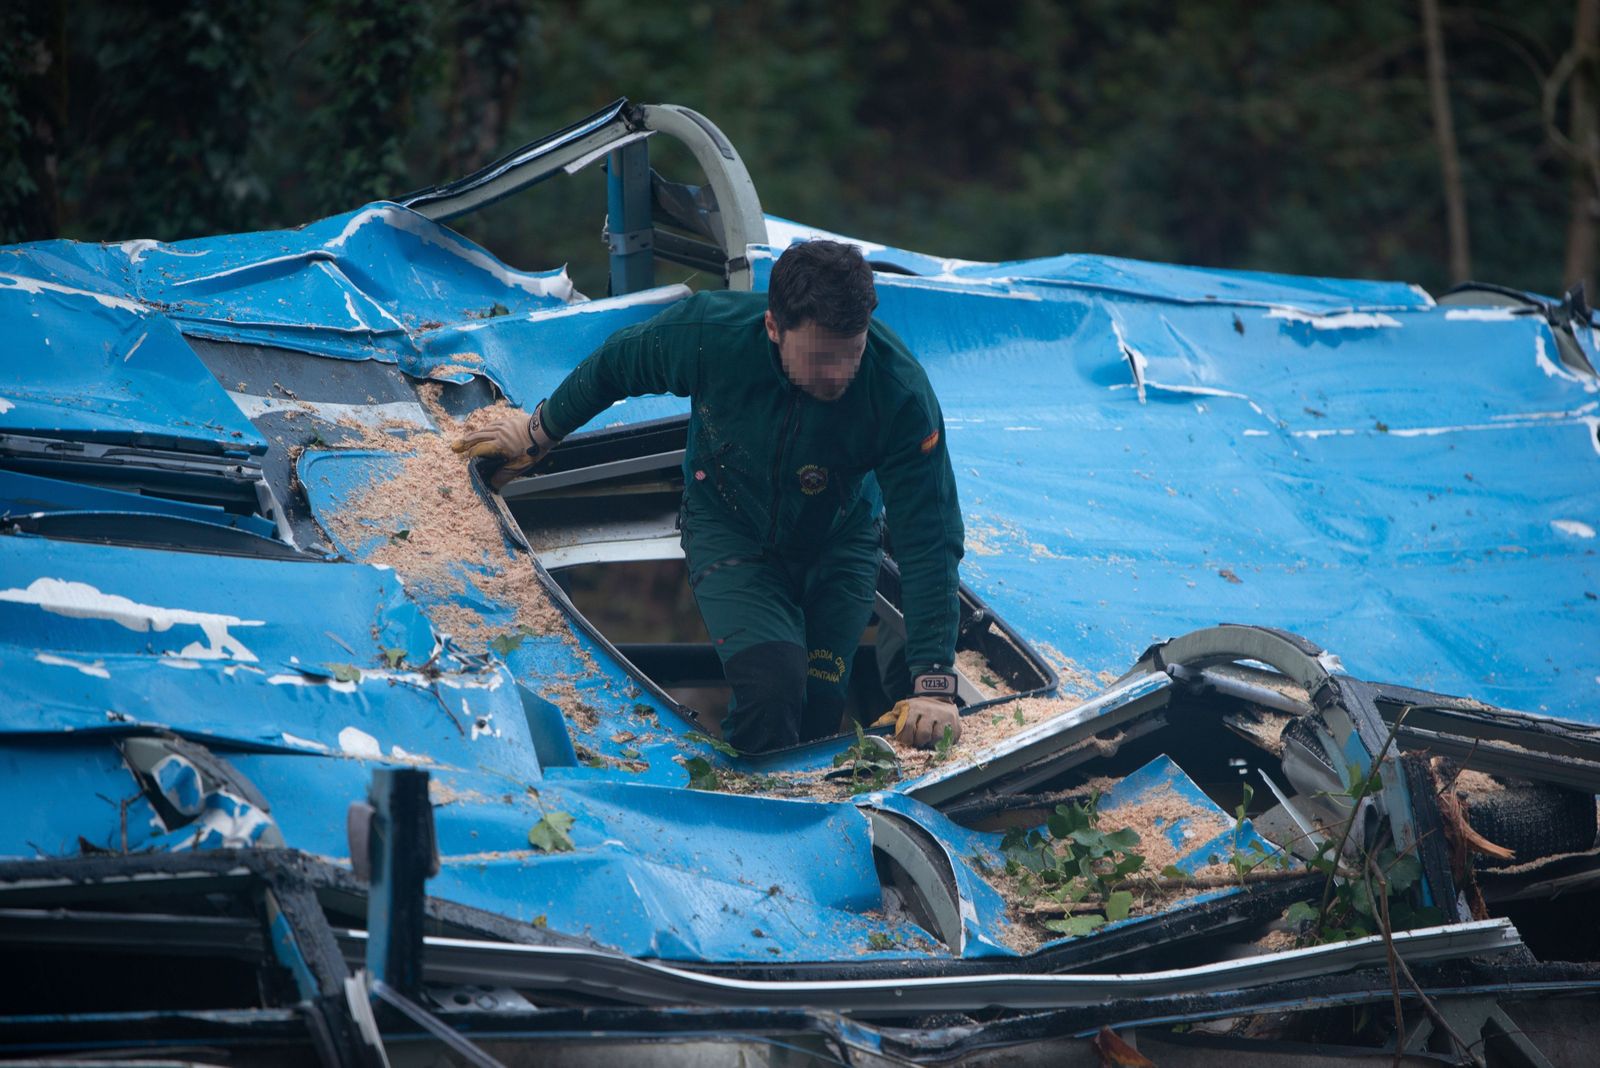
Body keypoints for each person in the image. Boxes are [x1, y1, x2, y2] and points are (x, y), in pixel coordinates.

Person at [453, 240, 964, 753]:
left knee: (819, 709)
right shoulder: (709, 335)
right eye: (819, 356)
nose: (836, 374)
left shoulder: (898, 392)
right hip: (730, 523)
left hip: (842, 540)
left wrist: (935, 683)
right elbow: (615, 364)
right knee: (772, 688)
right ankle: (745, 810)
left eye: (849, 354)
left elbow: (929, 533)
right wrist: (541, 430)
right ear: (772, 328)